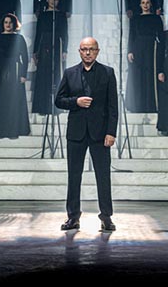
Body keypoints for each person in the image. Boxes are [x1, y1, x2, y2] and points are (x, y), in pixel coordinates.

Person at [55, 37, 118, 231]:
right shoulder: (70, 73)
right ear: (79, 51)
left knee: (103, 176)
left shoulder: (108, 72)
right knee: (74, 176)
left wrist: (111, 132)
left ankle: (106, 217)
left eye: (91, 49)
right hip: (76, 133)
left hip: (100, 133)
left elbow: (113, 106)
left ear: (97, 51)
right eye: (84, 49)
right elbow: (59, 100)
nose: (88, 52)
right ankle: (73, 217)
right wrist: (76, 102)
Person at [0, 14, 30, 138]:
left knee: (15, 101)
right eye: (6, 22)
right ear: (3, 24)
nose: (8, 24)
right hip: (1, 71)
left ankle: (15, 130)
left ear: (14, 24)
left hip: (15, 71)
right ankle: (1, 131)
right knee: (2, 102)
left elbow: (25, 57)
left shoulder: (19, 38)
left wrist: (23, 74)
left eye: (10, 22)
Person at [32, 0, 68, 115]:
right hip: (44, 45)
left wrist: (65, 50)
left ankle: (57, 106)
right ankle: (42, 106)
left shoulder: (61, 15)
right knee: (43, 75)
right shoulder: (42, 15)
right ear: (47, 0)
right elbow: (38, 33)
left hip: (57, 44)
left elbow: (65, 34)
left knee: (56, 74)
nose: (53, 1)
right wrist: (35, 51)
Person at [125, 0, 163, 113]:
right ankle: (137, 106)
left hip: (151, 49)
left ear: (151, 4)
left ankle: (150, 105)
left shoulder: (156, 18)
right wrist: (130, 51)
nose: (145, 5)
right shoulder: (135, 19)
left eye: (147, 2)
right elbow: (131, 36)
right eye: (143, 3)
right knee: (138, 76)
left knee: (150, 75)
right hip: (138, 48)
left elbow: (161, 36)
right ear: (140, 5)